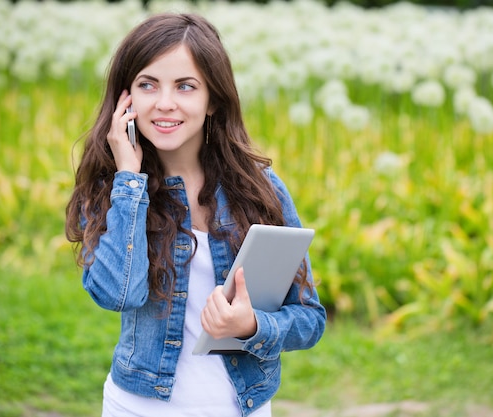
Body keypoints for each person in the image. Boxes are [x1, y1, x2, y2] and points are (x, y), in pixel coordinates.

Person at [65, 12, 326, 417]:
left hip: (245, 408)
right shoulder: (113, 187)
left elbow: (310, 319)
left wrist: (251, 327)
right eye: (147, 84)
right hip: (137, 409)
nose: (165, 103)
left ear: (213, 101)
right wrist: (129, 180)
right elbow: (118, 293)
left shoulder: (260, 188)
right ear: (125, 99)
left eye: (185, 86)